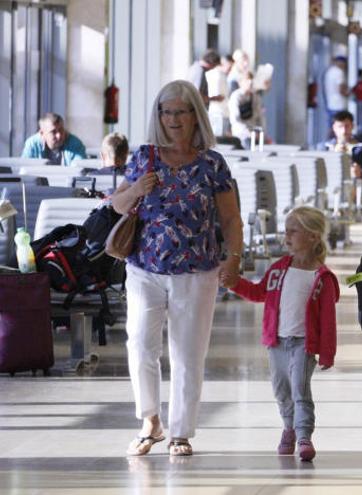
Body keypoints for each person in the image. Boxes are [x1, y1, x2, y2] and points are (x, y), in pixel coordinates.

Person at [115, 80, 244, 458]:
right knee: (140, 343)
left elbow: (231, 218)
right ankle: (150, 420)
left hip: (197, 270)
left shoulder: (212, 164)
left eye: (180, 112)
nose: (172, 119)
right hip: (144, 268)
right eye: (166, 112)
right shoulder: (144, 157)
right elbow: (118, 205)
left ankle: (181, 432)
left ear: (195, 116)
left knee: (188, 353)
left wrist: (233, 258)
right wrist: (136, 189)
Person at [221, 207, 339, 461]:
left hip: (304, 344)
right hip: (276, 342)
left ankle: (304, 435)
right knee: (281, 390)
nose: (286, 236)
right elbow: (258, 293)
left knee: (299, 389)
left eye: (293, 231)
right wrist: (235, 284)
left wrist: (327, 353)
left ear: (313, 236)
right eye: (286, 230)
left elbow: (328, 320)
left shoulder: (322, 278)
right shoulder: (278, 269)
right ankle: (289, 427)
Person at [325, 111, 362, 207]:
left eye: (347, 126)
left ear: (352, 126)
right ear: (334, 127)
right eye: (340, 126)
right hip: (332, 184)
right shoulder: (325, 148)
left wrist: (360, 173)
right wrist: (334, 154)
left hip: (356, 185)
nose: (344, 130)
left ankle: (345, 206)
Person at [20, 113, 86, 166]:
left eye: (61, 130)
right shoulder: (32, 144)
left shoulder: (75, 143)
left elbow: (79, 170)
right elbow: (24, 169)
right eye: (53, 132)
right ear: (42, 133)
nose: (59, 135)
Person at [228, 71, 267, 150]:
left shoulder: (255, 97)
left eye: (251, 80)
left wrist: (262, 132)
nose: (250, 83)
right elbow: (235, 118)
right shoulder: (236, 96)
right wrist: (247, 132)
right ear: (241, 82)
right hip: (241, 134)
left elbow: (260, 116)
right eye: (247, 80)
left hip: (254, 133)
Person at [206, 54, 233, 137]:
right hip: (218, 113)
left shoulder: (220, 75)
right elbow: (217, 95)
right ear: (223, 63)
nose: (230, 69)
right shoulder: (216, 75)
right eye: (230, 66)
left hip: (221, 112)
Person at [323, 56, 350, 128]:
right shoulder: (339, 72)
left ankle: (329, 139)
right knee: (339, 129)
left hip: (331, 104)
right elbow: (341, 89)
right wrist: (349, 94)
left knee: (332, 127)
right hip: (338, 105)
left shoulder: (329, 71)